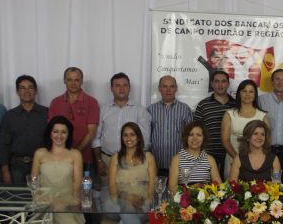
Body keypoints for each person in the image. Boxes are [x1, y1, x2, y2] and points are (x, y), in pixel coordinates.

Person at [31, 116, 105, 224]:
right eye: (56, 131)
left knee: (59, 211)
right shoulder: (40, 153)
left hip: (68, 199)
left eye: (63, 132)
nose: (59, 135)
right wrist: (44, 199)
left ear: (68, 134)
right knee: (50, 211)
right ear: (50, 133)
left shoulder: (75, 154)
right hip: (43, 200)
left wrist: (63, 201)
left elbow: (77, 185)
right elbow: (34, 183)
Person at [92, 73, 151, 212]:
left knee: (131, 201)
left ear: (130, 88)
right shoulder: (103, 110)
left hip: (132, 163)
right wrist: (99, 161)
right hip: (107, 160)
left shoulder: (140, 110)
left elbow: (146, 139)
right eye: (117, 85)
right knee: (110, 201)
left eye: (125, 85)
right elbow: (96, 137)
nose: (121, 88)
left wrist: (136, 163)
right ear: (111, 88)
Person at [0, 75, 48, 185]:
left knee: (41, 199)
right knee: (18, 199)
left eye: (30, 87)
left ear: (35, 91)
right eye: (22, 88)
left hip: (42, 165)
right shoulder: (9, 116)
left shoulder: (46, 113)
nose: (27, 91)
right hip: (16, 167)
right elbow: (4, 145)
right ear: (17, 92)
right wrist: (5, 170)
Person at [48, 67, 99, 167]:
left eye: (77, 80)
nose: (73, 83)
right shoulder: (55, 102)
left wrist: (74, 153)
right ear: (64, 81)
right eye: (69, 80)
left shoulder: (91, 102)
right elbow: (51, 130)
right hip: (59, 158)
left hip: (84, 158)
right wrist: (64, 153)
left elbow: (91, 132)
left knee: (83, 183)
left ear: (82, 81)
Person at [147, 75, 192, 177]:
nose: (168, 90)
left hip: (180, 163)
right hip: (156, 163)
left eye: (171, 86)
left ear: (176, 89)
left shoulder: (185, 109)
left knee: (178, 192)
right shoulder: (150, 110)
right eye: (164, 86)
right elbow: (146, 137)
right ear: (159, 89)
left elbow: (190, 136)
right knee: (158, 192)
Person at [221, 79, 268, 177]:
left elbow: (266, 141)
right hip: (232, 158)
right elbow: (225, 140)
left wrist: (250, 162)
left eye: (251, 91)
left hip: (255, 163)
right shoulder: (229, 114)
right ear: (239, 94)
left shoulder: (262, 115)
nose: (247, 94)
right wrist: (237, 159)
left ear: (255, 95)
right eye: (244, 91)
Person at [193, 70, 236, 176]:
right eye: (216, 81)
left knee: (230, 188)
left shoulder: (236, 105)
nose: (220, 85)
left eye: (223, 81)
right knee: (209, 189)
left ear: (228, 84)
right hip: (208, 155)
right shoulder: (203, 105)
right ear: (212, 84)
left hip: (231, 154)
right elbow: (196, 131)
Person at [258, 68, 283, 182]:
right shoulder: (261, 100)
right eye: (277, 79)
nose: (280, 82)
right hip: (266, 150)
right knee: (265, 182)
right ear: (272, 81)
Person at [168, 122, 222, 191]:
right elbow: (172, 188)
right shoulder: (176, 159)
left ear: (203, 138)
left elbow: (219, 187)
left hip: (206, 200)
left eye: (199, 135)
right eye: (191, 135)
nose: (195, 138)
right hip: (182, 200)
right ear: (186, 137)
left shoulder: (210, 159)